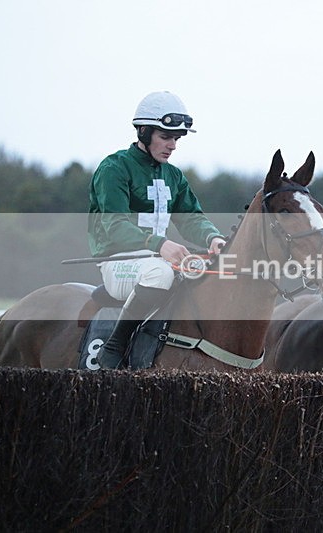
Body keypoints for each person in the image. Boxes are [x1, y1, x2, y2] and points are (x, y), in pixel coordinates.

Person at [88, 90, 227, 369]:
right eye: (165, 137)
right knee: (160, 273)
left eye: (176, 138)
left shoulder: (173, 175)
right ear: (143, 132)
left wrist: (213, 237)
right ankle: (114, 350)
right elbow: (114, 226)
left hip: (156, 259)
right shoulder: (114, 168)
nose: (173, 145)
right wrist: (161, 244)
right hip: (119, 262)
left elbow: (191, 218)